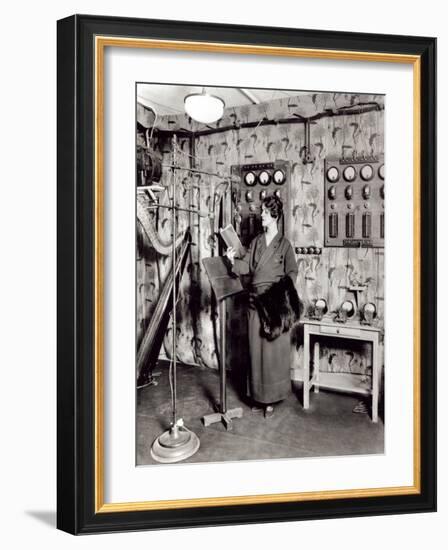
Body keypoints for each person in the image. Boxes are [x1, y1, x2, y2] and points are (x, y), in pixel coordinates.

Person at [224, 195, 300, 418]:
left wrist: (279, 296)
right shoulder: (256, 242)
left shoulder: (285, 245)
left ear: (275, 215)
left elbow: (292, 273)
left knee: (272, 355)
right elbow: (246, 266)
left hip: (274, 307)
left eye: (265, 213)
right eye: (262, 213)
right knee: (256, 353)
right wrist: (231, 262)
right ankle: (258, 396)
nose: (261, 216)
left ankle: (272, 399)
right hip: (255, 305)